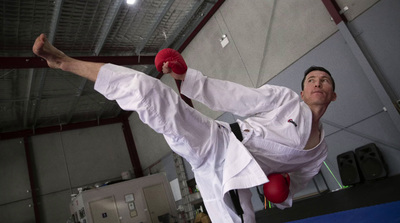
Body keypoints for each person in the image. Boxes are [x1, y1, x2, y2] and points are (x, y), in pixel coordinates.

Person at [32, 34, 336, 223]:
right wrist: (187, 77)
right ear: (302, 92)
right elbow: (239, 96)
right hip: (218, 140)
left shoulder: (318, 152)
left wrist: (281, 193)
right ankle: (65, 62)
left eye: (324, 81)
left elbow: (296, 182)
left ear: (332, 94)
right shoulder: (285, 100)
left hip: (234, 175)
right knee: (148, 90)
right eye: (312, 80)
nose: (317, 83)